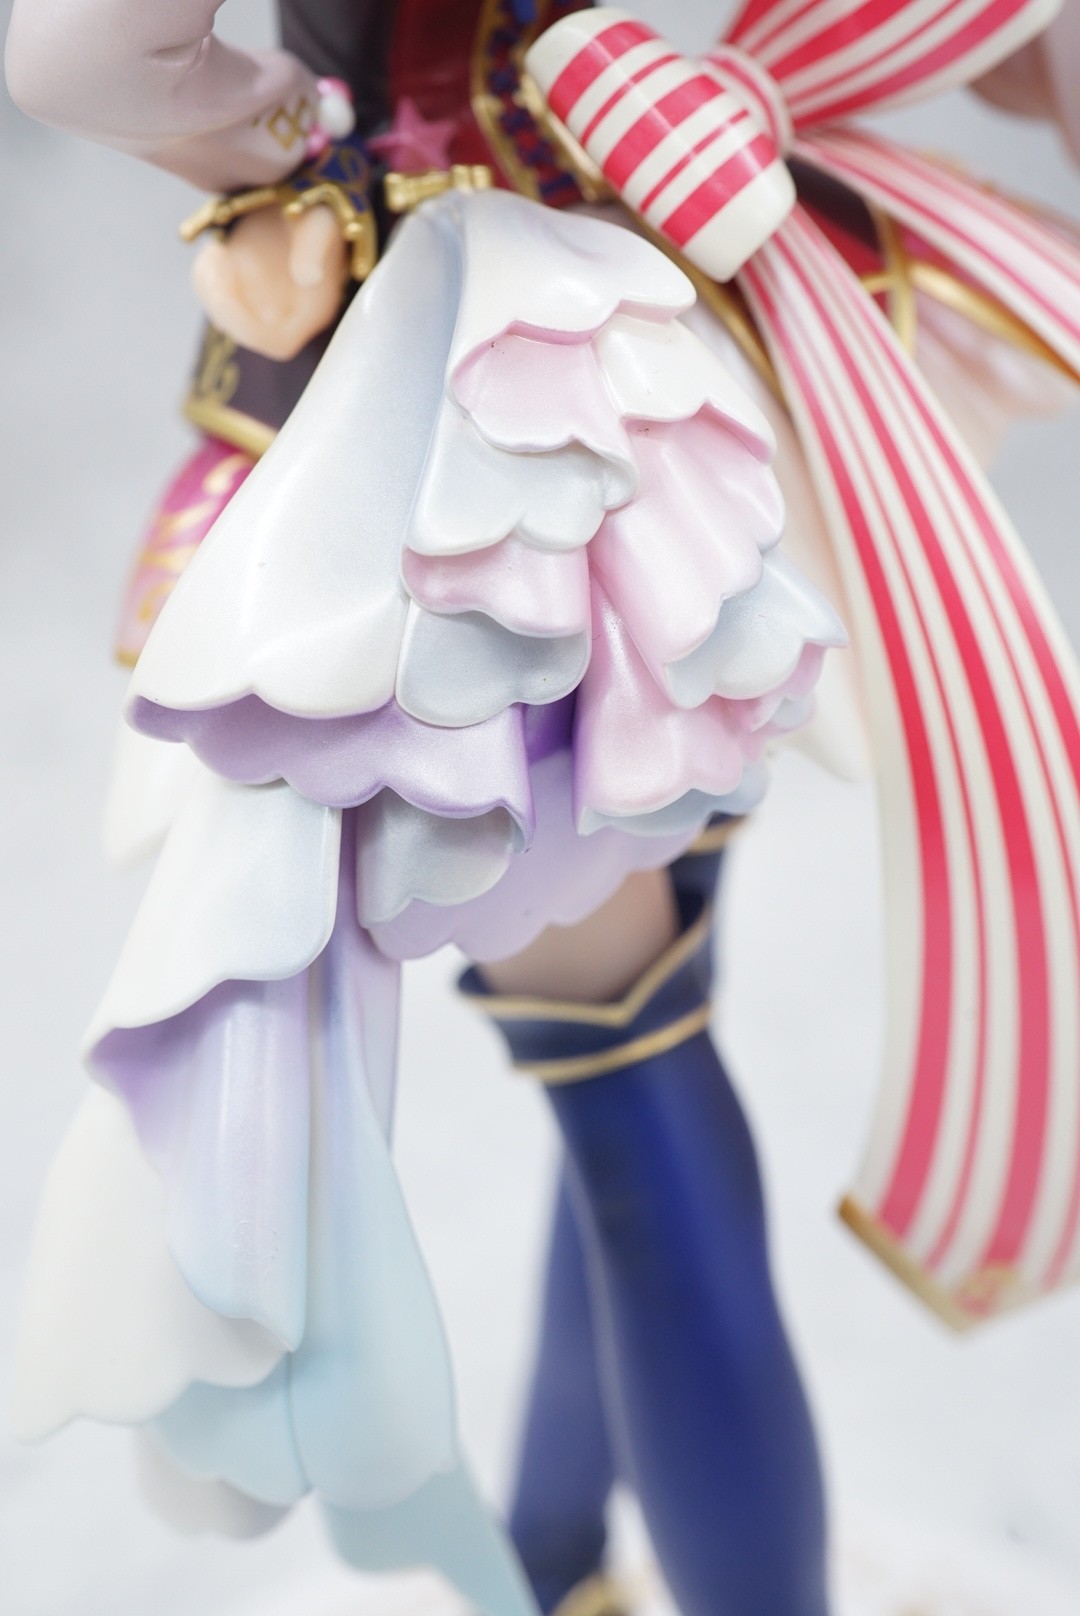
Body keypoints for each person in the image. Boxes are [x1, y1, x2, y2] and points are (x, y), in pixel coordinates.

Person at [6, 5, 1080, 1616]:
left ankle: (629, 1570)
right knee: (634, 1031)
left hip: (474, 430)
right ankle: (558, 1555)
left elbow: (76, 54)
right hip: (694, 347)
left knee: (631, 1072)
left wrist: (279, 131)